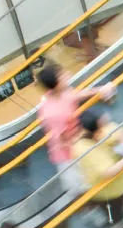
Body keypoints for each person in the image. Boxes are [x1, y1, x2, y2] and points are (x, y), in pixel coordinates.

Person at [37, 64, 116, 196]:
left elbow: (75, 96)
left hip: (79, 140)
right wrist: (85, 142)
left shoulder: (60, 93)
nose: (67, 75)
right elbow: (62, 140)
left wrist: (100, 90)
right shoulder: (52, 112)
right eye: (62, 76)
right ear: (55, 84)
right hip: (68, 154)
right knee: (79, 186)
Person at [72, 109, 123, 228]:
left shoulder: (101, 130)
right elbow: (109, 172)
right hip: (108, 192)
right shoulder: (82, 148)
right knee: (116, 220)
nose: (105, 127)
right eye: (101, 125)